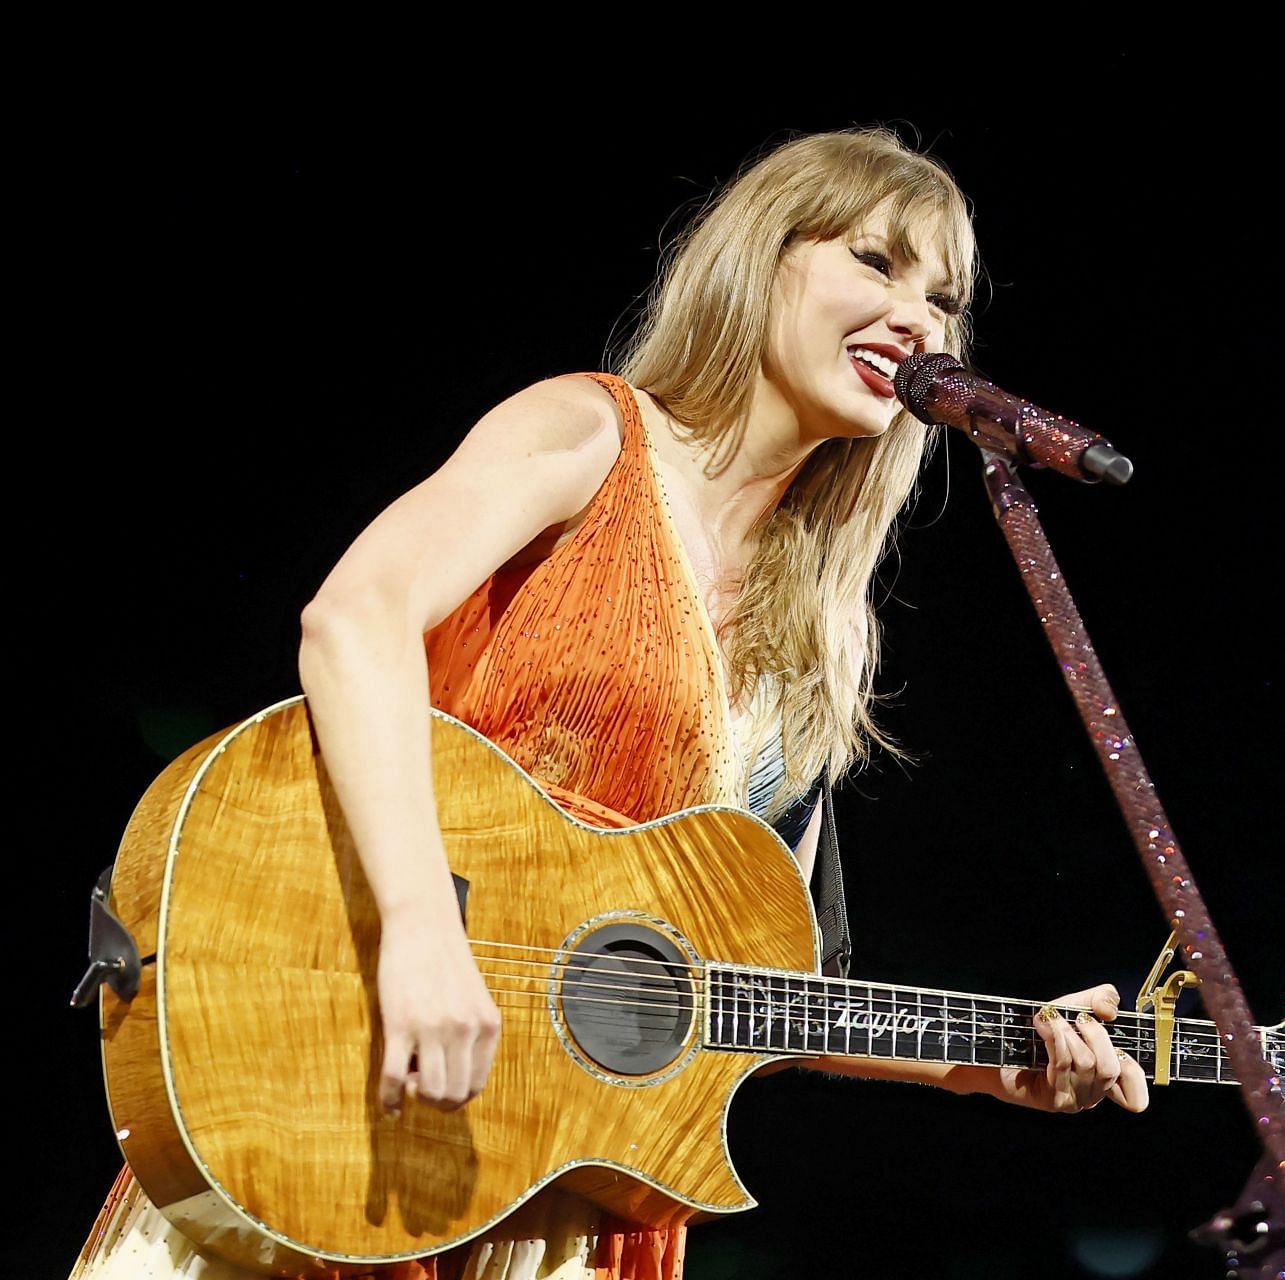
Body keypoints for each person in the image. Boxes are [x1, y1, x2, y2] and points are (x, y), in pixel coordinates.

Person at [72, 127, 1150, 1280]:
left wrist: (987, 1064)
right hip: (349, 1089)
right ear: (760, 261)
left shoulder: (826, 628)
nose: (921, 321)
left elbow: (775, 989)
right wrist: (424, 931)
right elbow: (353, 621)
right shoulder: (588, 435)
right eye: (876, 263)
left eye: (945, 298)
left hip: (568, 1202)